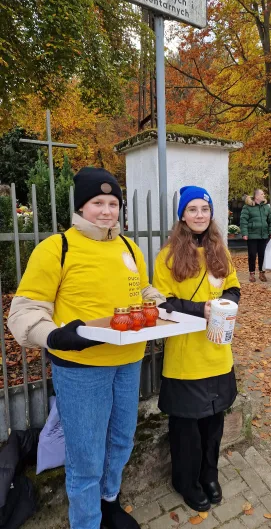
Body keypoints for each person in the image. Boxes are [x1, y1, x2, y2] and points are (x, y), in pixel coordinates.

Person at [8, 167, 166, 529]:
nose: (107, 211)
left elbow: (141, 290)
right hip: (82, 369)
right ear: (82, 206)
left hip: (128, 360)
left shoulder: (128, 246)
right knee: (85, 456)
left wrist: (161, 302)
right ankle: (87, 521)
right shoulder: (56, 248)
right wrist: (54, 335)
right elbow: (25, 311)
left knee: (121, 440)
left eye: (113, 203)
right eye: (98, 202)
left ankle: (109, 503)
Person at [153, 186, 240, 512]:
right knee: (187, 426)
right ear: (182, 216)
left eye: (205, 208)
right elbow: (160, 301)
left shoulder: (221, 250)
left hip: (218, 353)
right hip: (186, 356)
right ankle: (186, 481)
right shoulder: (168, 257)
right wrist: (200, 309)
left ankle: (209, 475)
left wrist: (225, 303)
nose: (200, 215)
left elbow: (233, 287)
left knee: (214, 423)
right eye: (193, 209)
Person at [240, 188, 271, 282]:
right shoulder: (247, 207)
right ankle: (251, 273)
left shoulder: (267, 207)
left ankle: (262, 273)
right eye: (262, 194)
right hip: (252, 235)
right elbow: (243, 221)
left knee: (262, 255)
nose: (264, 195)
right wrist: (244, 233)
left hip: (263, 235)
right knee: (252, 255)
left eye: (264, 194)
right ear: (256, 196)